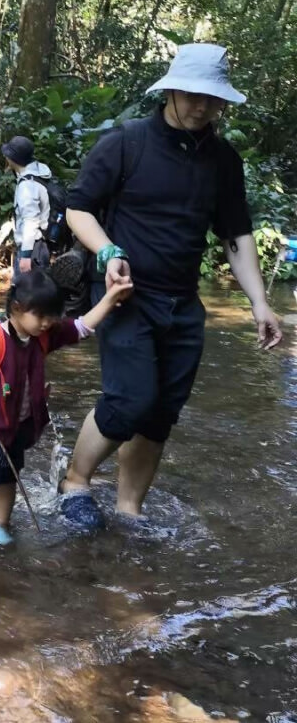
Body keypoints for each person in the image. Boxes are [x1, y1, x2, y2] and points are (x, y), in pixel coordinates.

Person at [60, 43, 282, 532]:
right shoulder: (126, 143)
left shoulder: (224, 161)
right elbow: (78, 208)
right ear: (170, 90)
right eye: (192, 95)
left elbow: (234, 234)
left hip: (183, 304)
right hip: (126, 295)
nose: (201, 106)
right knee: (130, 401)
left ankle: (129, 509)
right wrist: (108, 252)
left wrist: (260, 303)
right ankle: (74, 482)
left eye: (212, 98)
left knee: (160, 413)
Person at [0, 270, 133, 545]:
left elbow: (81, 327)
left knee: (10, 475)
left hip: (18, 425)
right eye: (41, 316)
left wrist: (109, 299)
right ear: (17, 309)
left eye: (52, 317)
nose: (47, 323)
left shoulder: (41, 336)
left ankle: (0, 525)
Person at [1, 135, 52, 277]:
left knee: (25, 296)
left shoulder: (27, 186)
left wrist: (25, 256)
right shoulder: (39, 173)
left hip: (32, 250)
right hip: (40, 247)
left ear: (12, 159)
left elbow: (31, 221)